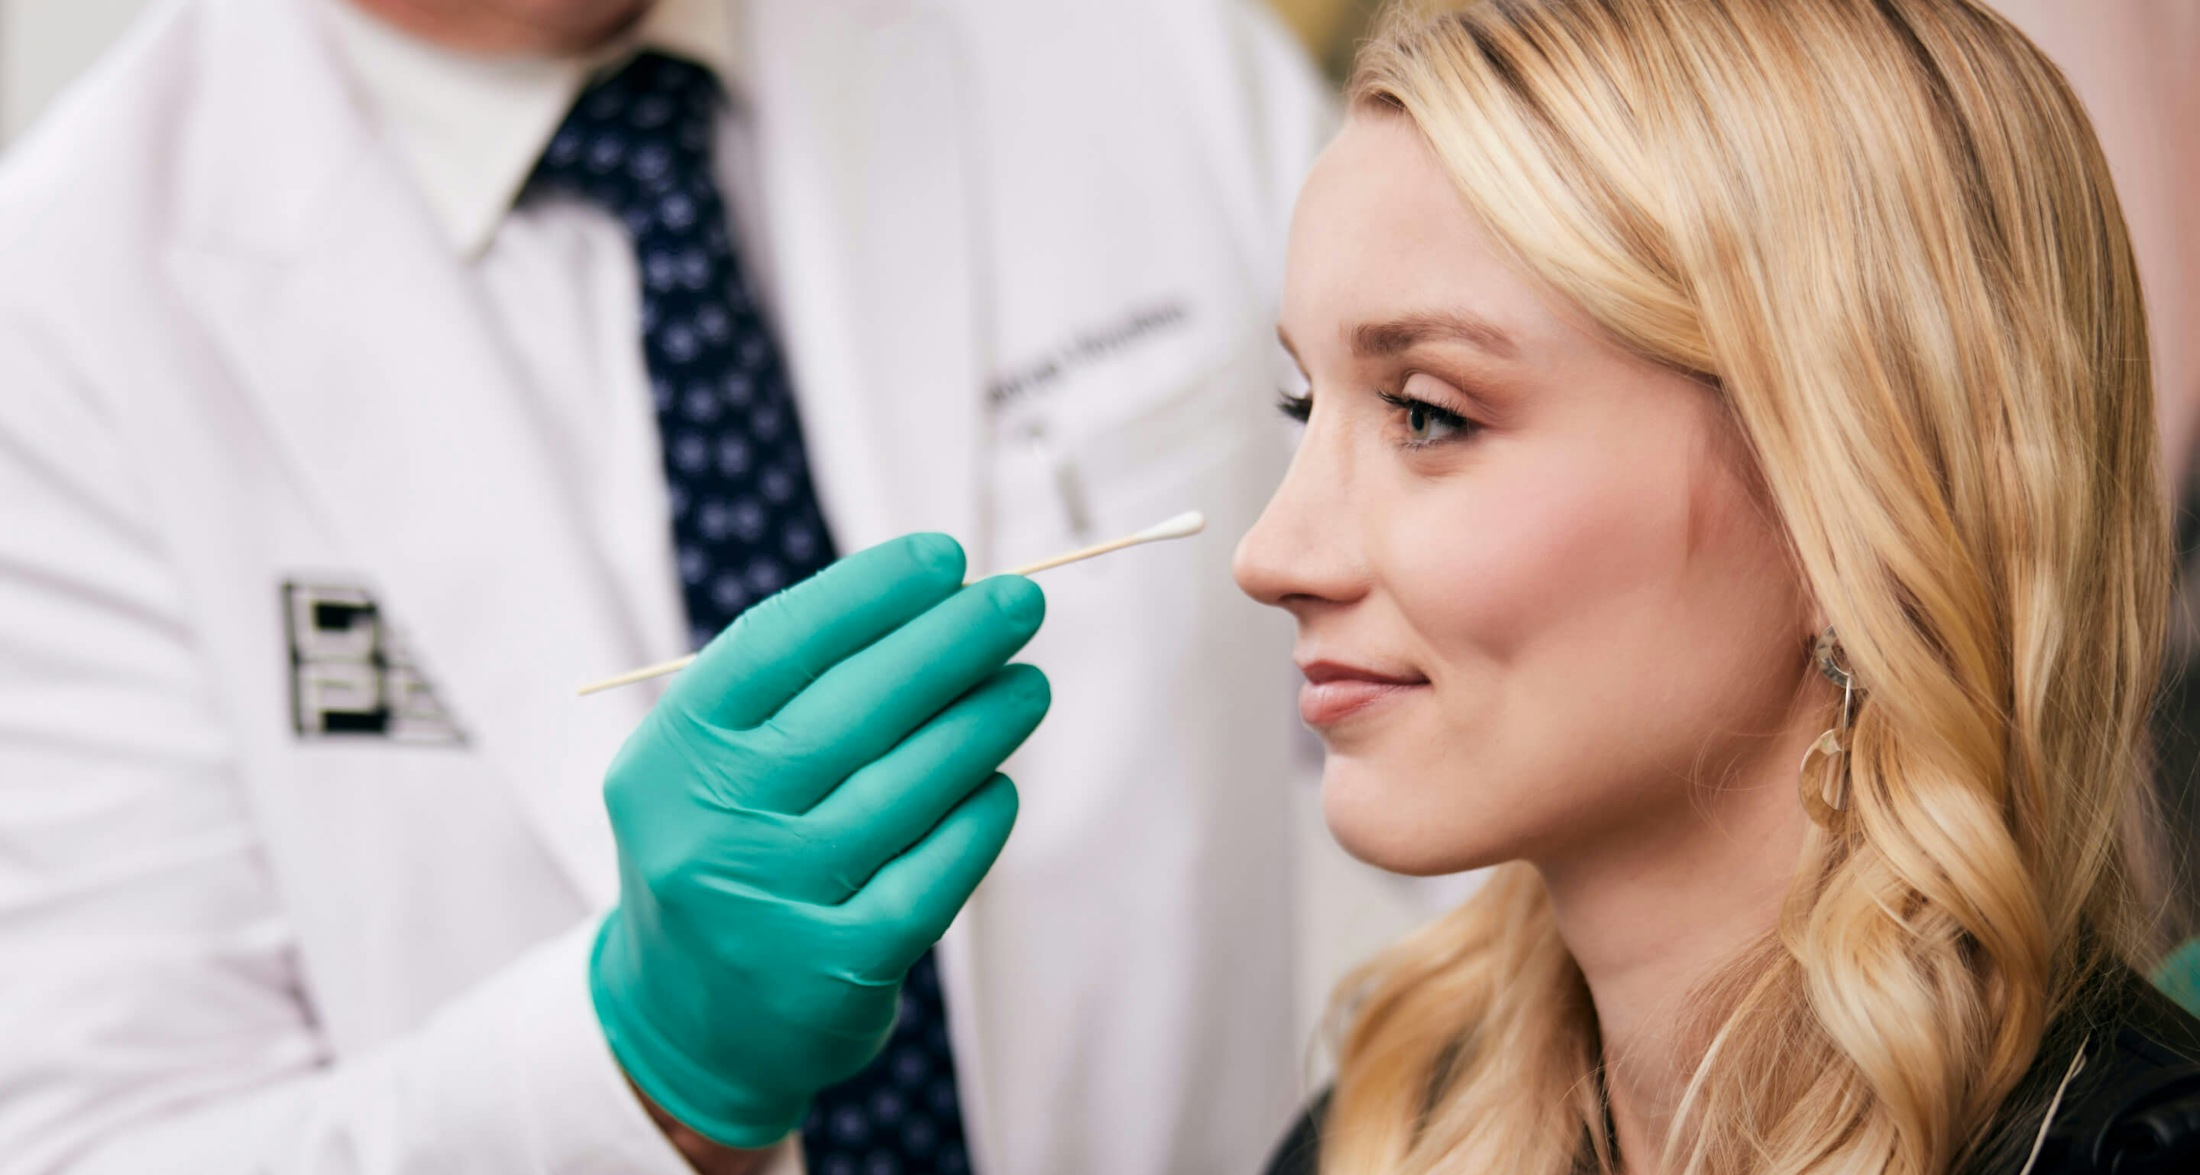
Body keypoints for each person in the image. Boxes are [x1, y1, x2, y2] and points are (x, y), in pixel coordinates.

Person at [0, 0, 1332, 1172]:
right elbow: (109, 1141)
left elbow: (1489, 667)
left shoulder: (1138, 47)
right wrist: (641, 1064)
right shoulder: (63, 323)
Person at [1231, 0, 2200, 1172]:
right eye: (1303, 405)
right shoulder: (1378, 1130)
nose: (1271, 554)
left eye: (1430, 413)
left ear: (1852, 498)